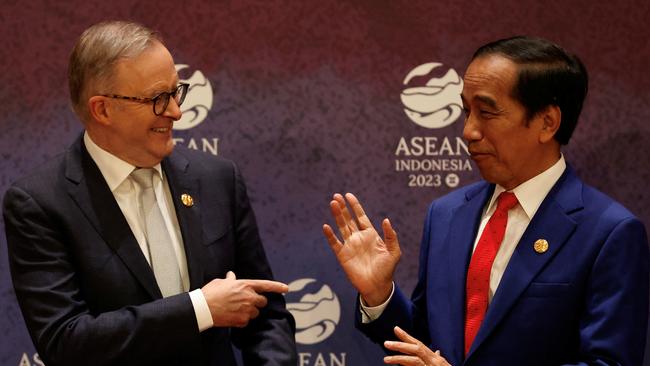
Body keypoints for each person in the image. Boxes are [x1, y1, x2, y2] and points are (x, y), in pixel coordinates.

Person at [323, 36, 649, 366]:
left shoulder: (609, 233)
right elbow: (425, 345)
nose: (468, 131)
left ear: (547, 122)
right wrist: (380, 295)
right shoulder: (447, 214)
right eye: (466, 111)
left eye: (487, 113)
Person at [3, 21, 296, 366]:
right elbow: (66, 341)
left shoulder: (217, 178)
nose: (176, 111)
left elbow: (265, 312)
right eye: (158, 99)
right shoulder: (40, 203)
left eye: (176, 92)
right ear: (103, 110)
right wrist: (199, 308)